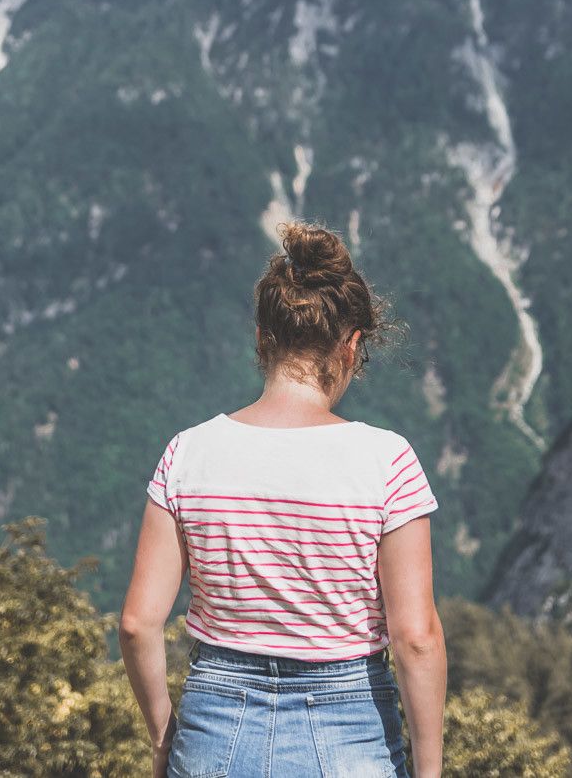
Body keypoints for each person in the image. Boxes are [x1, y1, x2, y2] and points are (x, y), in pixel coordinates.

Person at [119, 218, 446, 777]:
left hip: (213, 729)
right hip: (351, 731)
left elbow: (137, 624)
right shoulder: (388, 461)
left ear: (262, 338)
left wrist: (161, 738)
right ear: (352, 345)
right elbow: (415, 638)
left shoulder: (188, 453)